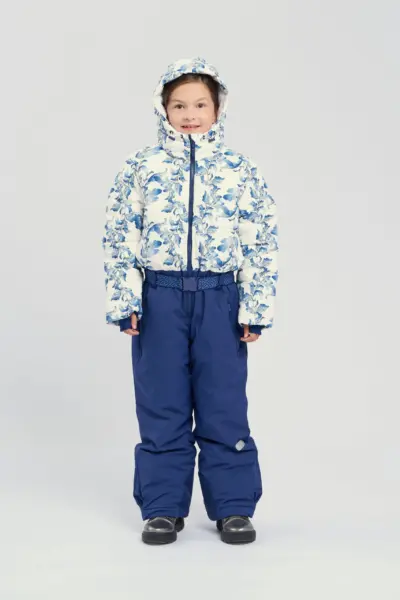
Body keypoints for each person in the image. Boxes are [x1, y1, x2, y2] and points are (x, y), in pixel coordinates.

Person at [102, 57, 279, 545]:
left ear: (218, 108)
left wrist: (255, 306)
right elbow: (120, 235)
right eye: (179, 105)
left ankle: (234, 507)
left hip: (220, 298)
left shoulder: (239, 169)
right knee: (161, 403)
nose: (190, 114)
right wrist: (125, 299)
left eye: (200, 104)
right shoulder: (141, 167)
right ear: (163, 109)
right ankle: (162, 507)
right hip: (159, 298)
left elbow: (260, 239)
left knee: (224, 402)